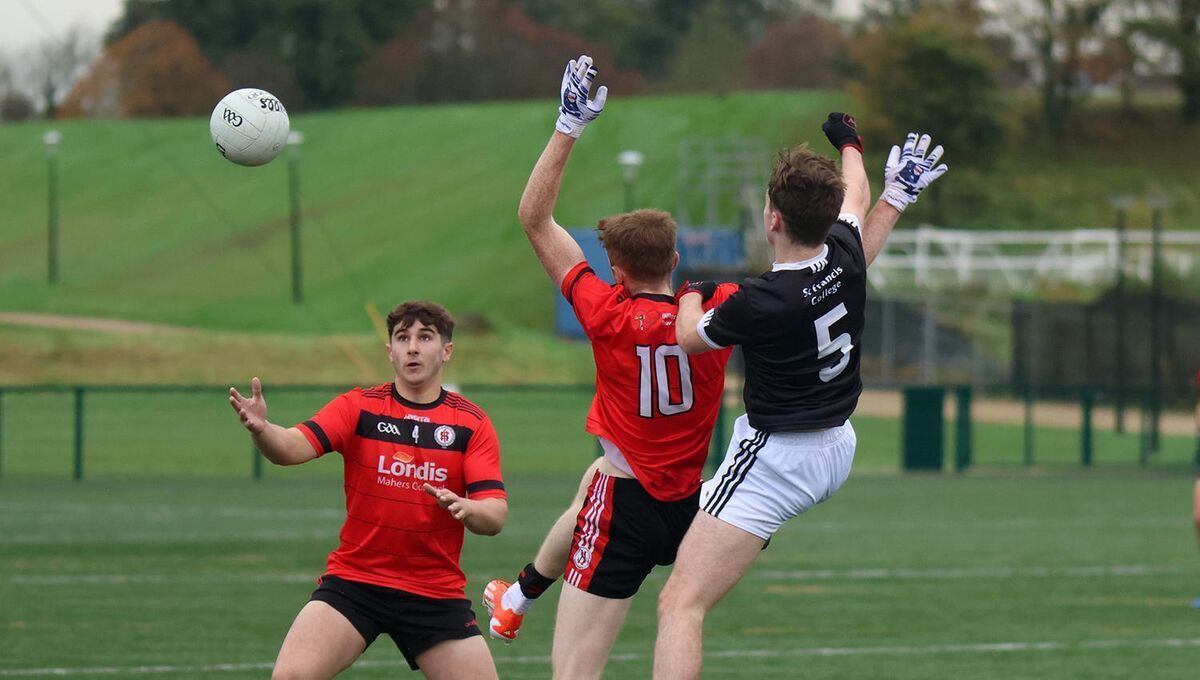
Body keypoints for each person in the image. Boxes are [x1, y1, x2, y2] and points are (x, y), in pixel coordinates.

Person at [653, 117, 949, 679]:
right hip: (836, 445)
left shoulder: (761, 299)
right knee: (680, 526)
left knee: (680, 603)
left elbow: (688, 339)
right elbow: (859, 198)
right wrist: (852, 147)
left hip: (776, 458)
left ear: (773, 219)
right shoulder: (844, 253)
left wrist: (689, 292)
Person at [481, 55, 739, 679]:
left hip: (625, 506)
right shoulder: (721, 309)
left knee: (573, 674)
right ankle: (515, 597)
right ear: (676, 256)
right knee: (591, 485)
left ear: (616, 271)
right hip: (691, 504)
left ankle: (515, 601)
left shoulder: (604, 310)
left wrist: (567, 126)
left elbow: (534, 220)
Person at [229, 300, 507, 680]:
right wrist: (264, 430)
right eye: (402, 337)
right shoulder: (359, 408)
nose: (412, 347)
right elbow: (292, 447)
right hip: (357, 582)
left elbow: (494, 515)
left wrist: (467, 508)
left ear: (446, 351)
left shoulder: (471, 424)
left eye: (424, 337)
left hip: (433, 591)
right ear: (389, 352)